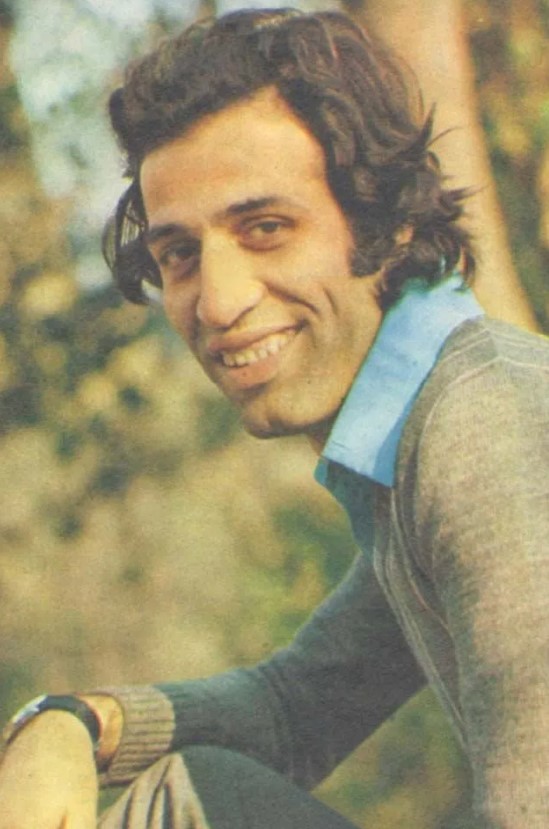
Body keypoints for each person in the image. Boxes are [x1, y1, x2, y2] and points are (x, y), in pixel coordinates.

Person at [0, 7, 548, 828]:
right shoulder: (415, 437)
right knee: (203, 791)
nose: (219, 302)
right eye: (180, 254)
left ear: (388, 220)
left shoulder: (485, 429)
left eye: (266, 229)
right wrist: (71, 723)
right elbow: (296, 708)